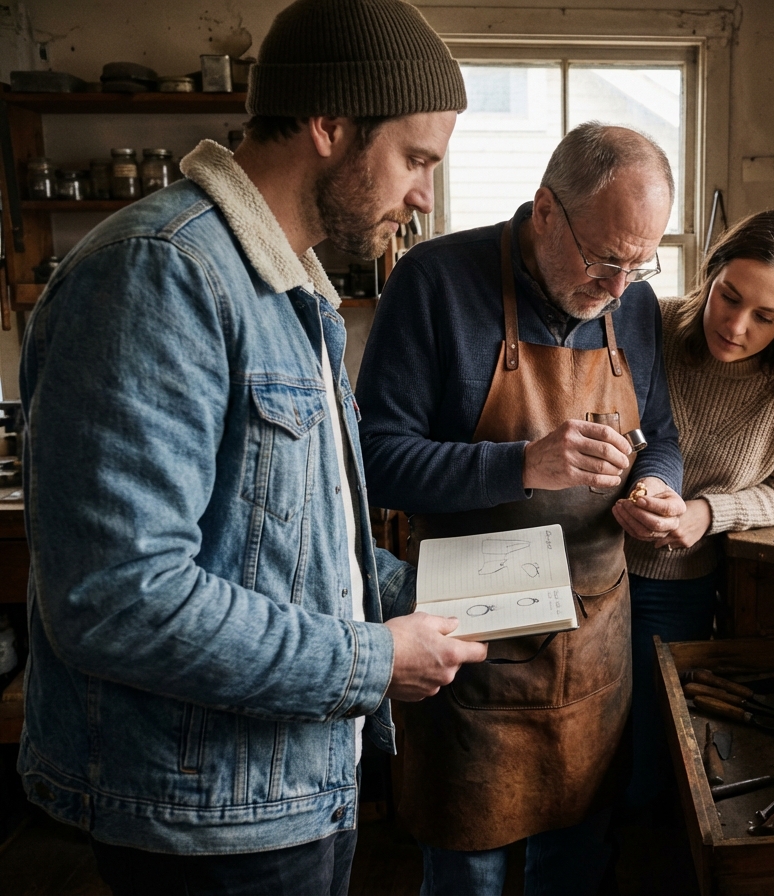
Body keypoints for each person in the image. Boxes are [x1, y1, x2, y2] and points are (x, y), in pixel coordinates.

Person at [17, 2, 486, 893]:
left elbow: (291, 544)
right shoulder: (160, 273)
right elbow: (120, 597)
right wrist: (375, 659)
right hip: (205, 818)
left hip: (298, 782)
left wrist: (444, 593)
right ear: (329, 124)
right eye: (417, 159)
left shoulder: (291, 287)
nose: (425, 194)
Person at [356, 122, 686, 894]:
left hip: (594, 642)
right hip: (471, 652)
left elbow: (662, 436)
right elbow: (370, 466)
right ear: (544, 210)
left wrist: (655, 487)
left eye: (640, 264)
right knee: (470, 874)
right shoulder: (434, 282)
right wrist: (522, 464)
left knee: (577, 866)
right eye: (606, 258)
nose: (617, 286)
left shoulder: (631, 302)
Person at [622, 208, 774, 806]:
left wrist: (707, 514)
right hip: (587, 564)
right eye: (729, 296)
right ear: (711, 274)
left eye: (764, 316)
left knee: (650, 756)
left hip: (678, 584)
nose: (736, 325)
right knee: (574, 747)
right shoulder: (655, 325)